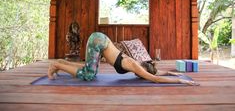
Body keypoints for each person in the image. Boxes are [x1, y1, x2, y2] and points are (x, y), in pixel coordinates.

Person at [48, 32, 199, 86]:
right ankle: (57, 65)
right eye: (141, 76)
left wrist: (173, 73)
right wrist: (180, 81)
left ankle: (61, 63)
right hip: (98, 41)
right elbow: (155, 78)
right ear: (142, 71)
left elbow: (156, 73)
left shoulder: (139, 63)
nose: (138, 76)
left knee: (90, 70)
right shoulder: (135, 66)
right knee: (88, 75)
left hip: (100, 40)